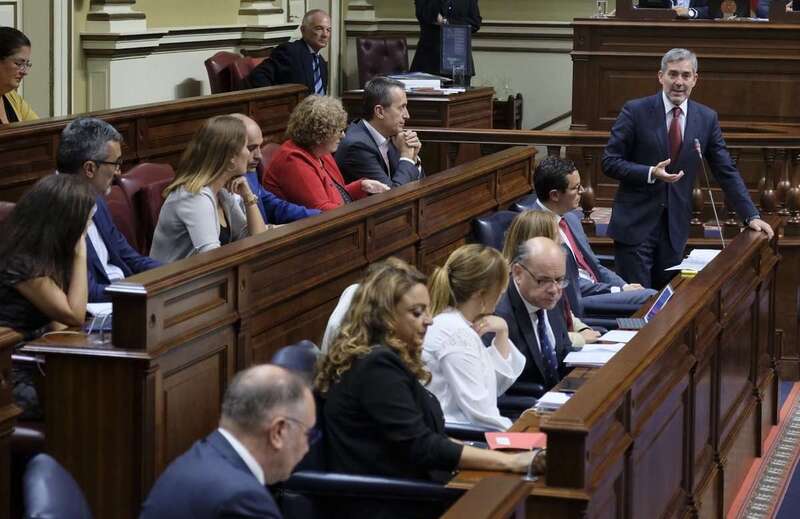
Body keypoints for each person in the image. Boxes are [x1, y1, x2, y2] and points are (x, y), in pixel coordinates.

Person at [317, 259, 542, 519]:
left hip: (412, 485)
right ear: (384, 316)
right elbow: (421, 446)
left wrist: (494, 451)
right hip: (393, 502)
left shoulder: (383, 358)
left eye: (427, 311)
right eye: (416, 312)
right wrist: (509, 461)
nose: (429, 321)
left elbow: (423, 435)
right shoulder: (375, 367)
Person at [602, 48, 773, 289]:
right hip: (635, 225)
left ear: (695, 79)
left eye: (685, 75)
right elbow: (609, 161)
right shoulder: (635, 111)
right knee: (635, 304)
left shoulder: (706, 118)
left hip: (675, 228)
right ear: (661, 76)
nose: (678, 82)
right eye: (673, 74)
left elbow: (726, 169)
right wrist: (650, 173)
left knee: (667, 306)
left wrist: (750, 215)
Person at [140, 364, 315, 519]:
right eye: (308, 433)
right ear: (278, 431)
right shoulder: (244, 499)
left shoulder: (189, 462)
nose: (307, 448)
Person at [531, 156, 656, 314]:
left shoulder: (571, 217)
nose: (582, 191)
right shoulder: (534, 228)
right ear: (555, 195)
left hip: (598, 288)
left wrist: (624, 286)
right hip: (577, 298)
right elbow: (568, 282)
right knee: (651, 298)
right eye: (576, 188)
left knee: (652, 296)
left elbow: (594, 266)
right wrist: (617, 290)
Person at [57, 117, 161, 302]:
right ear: (89, 168)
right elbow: (88, 293)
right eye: (115, 164)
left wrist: (174, 273)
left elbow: (129, 257)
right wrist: (142, 291)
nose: (119, 172)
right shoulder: (56, 211)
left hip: (122, 293)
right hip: (100, 310)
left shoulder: (97, 198)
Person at [423, 244, 525, 431]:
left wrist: (502, 332)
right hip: (461, 437)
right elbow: (481, 413)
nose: (502, 296)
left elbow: (488, 387)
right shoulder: (455, 333)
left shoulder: (455, 324)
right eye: (500, 291)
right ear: (481, 295)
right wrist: (520, 436)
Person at [150, 115, 268, 262]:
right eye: (247, 147)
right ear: (230, 156)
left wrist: (248, 197)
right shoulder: (193, 197)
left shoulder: (222, 192)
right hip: (174, 282)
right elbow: (213, 260)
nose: (254, 155)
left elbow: (258, 240)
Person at [0, 174, 92, 335]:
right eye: (85, 221)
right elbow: (74, 315)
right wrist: (80, 251)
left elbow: (60, 323)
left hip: (44, 343)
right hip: (13, 352)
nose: (88, 227)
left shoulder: (46, 253)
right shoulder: (21, 261)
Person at [262, 95, 389, 211]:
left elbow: (334, 195)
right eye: (338, 131)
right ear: (319, 134)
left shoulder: (321, 151)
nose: (343, 136)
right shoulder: (292, 160)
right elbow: (322, 210)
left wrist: (361, 186)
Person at [502, 210, 601, 348]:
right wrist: (579, 338)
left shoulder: (552, 279)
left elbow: (563, 314)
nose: (561, 241)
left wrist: (582, 329)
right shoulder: (512, 291)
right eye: (556, 236)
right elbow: (535, 335)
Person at [494, 237, 572, 394]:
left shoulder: (550, 295)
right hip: (525, 408)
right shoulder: (499, 314)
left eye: (559, 280)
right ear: (518, 273)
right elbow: (497, 387)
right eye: (543, 281)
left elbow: (564, 351)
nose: (554, 290)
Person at [229, 113, 321, 224]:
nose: (259, 156)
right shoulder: (211, 191)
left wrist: (319, 215)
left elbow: (273, 205)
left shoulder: (250, 172)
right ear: (230, 149)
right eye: (251, 148)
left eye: (260, 146)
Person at [335, 77, 424, 187]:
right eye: (401, 107)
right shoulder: (357, 146)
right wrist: (406, 156)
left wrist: (414, 157)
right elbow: (392, 196)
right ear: (379, 112)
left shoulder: (391, 135)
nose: (407, 115)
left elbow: (420, 186)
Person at [246, 9, 330, 95]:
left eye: (328, 30)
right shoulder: (289, 51)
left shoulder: (321, 62)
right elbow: (258, 76)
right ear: (303, 30)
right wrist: (278, 102)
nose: (325, 35)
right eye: (319, 29)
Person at [410, 0, 481, 84]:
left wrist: (446, 22)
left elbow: (475, 23)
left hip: (459, 62)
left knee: (460, 96)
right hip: (429, 61)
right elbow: (425, 15)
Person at [0, 26, 37, 124]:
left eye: (27, 64)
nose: (25, 72)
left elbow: (38, 129)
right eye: (19, 64)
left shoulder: (13, 97)